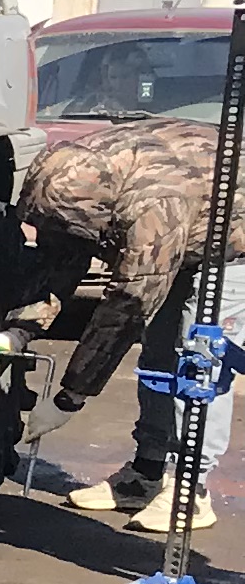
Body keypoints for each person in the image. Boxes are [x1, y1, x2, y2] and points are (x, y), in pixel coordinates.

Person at [20, 112, 238, 534]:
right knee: (158, 355)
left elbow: (128, 304)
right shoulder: (69, 170)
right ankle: (145, 474)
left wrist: (69, 398)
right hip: (189, 219)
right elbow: (64, 253)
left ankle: (190, 489)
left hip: (234, 237)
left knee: (199, 358)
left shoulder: (152, 206)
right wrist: (22, 326)